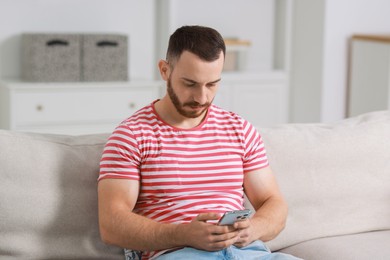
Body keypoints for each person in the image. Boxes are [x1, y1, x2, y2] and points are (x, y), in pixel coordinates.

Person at [98, 25, 300, 260]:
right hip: (180, 253)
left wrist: (253, 229)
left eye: (212, 84)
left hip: (248, 252)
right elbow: (111, 225)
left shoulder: (240, 129)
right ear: (165, 70)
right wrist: (184, 234)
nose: (202, 98)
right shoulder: (132, 135)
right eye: (190, 84)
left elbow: (274, 204)